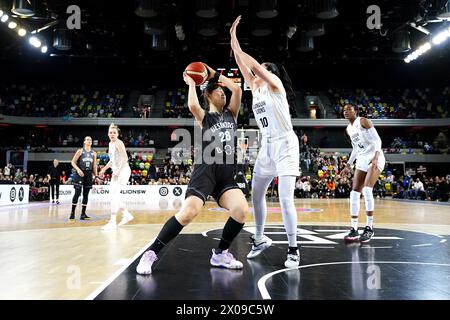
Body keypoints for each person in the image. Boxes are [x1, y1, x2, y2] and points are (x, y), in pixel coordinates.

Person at [136, 63, 248, 274]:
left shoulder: (232, 114)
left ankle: (220, 254)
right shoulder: (206, 117)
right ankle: (150, 253)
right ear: (209, 96)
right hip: (206, 171)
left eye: (223, 92)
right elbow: (192, 106)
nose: (223, 94)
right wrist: (191, 83)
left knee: (241, 210)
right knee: (189, 212)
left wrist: (215, 75)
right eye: (218, 92)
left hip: (225, 174)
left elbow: (238, 89)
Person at [230, 16, 300, 268]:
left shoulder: (275, 86)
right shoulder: (256, 89)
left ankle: (293, 249)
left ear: (270, 74)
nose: (257, 71)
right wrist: (233, 38)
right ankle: (259, 238)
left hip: (285, 145)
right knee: (256, 194)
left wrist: (238, 47)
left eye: (263, 69)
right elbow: (242, 64)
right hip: (267, 146)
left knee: (284, 199)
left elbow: (254, 67)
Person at [340, 104, 386, 243]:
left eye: (349, 109)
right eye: (344, 110)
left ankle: (369, 227)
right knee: (354, 193)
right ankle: (354, 229)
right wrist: (348, 165)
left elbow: (378, 140)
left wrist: (376, 157)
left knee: (366, 189)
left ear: (356, 111)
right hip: (361, 158)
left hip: (374, 157)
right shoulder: (349, 129)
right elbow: (355, 149)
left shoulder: (363, 121)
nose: (346, 111)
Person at [99, 123, 134, 230]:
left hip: (123, 171)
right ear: (108, 134)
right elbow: (112, 160)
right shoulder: (110, 144)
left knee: (114, 196)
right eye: (110, 132)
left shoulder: (119, 143)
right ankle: (126, 214)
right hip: (116, 171)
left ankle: (113, 221)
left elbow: (125, 158)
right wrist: (104, 169)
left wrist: (118, 171)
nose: (112, 134)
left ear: (118, 134)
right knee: (113, 195)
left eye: (114, 132)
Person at [70, 136, 98, 221]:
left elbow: (94, 165)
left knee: (86, 194)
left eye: (90, 140)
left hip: (89, 173)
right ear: (84, 142)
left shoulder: (94, 153)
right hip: (80, 173)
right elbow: (72, 162)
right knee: (77, 193)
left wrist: (96, 175)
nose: (89, 141)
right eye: (87, 140)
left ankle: (83, 214)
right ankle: (72, 213)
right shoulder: (80, 151)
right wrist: (78, 170)